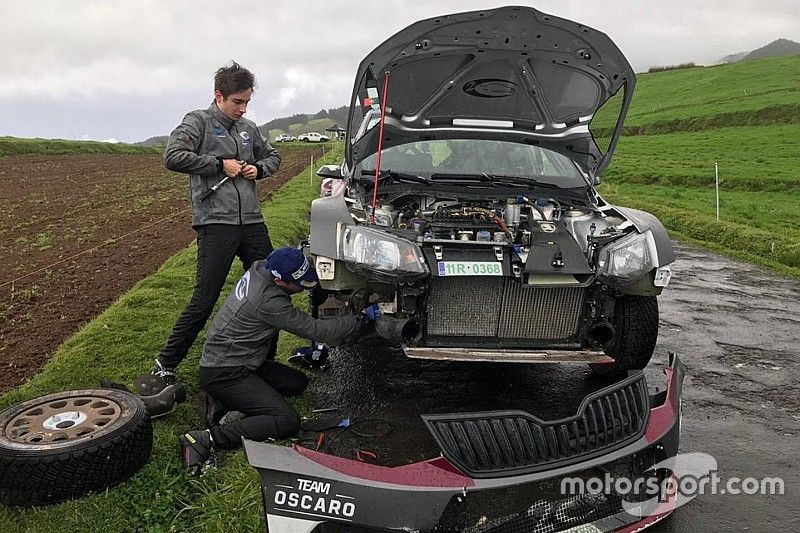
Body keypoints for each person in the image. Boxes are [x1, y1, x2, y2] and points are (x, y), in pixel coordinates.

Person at [179, 247, 380, 472]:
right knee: (287, 421)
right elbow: (317, 330)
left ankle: (226, 400)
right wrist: (361, 319)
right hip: (225, 372)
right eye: (301, 285)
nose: (305, 289)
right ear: (280, 282)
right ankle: (208, 438)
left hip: (244, 361)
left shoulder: (261, 268)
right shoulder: (268, 302)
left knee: (297, 383)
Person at [151, 61, 281, 386]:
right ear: (219, 95)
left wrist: (259, 169)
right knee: (205, 298)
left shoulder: (249, 128)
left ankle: (265, 360)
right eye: (238, 101)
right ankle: (165, 363)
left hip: (252, 222)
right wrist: (218, 164)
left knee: (272, 289)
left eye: (247, 101)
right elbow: (173, 155)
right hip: (215, 223)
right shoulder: (199, 121)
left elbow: (274, 155)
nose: (243, 108)